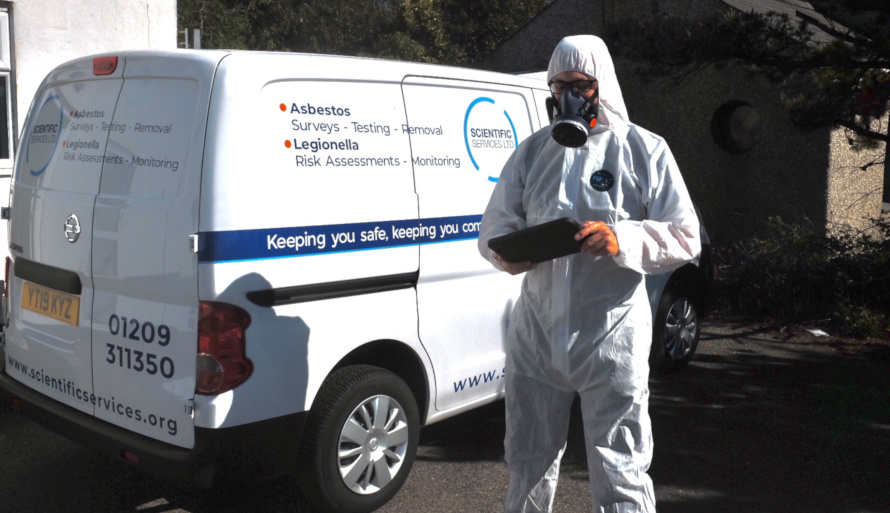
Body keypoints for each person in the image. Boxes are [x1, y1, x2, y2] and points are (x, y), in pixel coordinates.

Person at [478, 35, 701, 513]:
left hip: (610, 337)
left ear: (603, 86)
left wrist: (624, 240)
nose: (568, 96)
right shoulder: (533, 152)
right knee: (527, 460)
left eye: (580, 84)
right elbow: (494, 224)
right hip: (537, 336)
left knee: (620, 466)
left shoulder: (643, 149)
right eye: (558, 85)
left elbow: (686, 235)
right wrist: (506, 254)